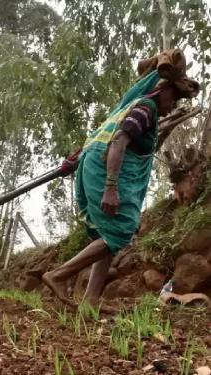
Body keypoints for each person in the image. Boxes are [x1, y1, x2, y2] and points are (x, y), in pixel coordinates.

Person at [42, 49, 199, 309]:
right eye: (175, 99)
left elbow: (142, 148)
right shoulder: (146, 108)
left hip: (91, 165)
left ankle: (91, 300)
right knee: (122, 229)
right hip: (104, 168)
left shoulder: (141, 111)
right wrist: (111, 188)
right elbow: (118, 142)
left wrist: (165, 130)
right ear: (163, 90)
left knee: (106, 237)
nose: (174, 106)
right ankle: (58, 276)